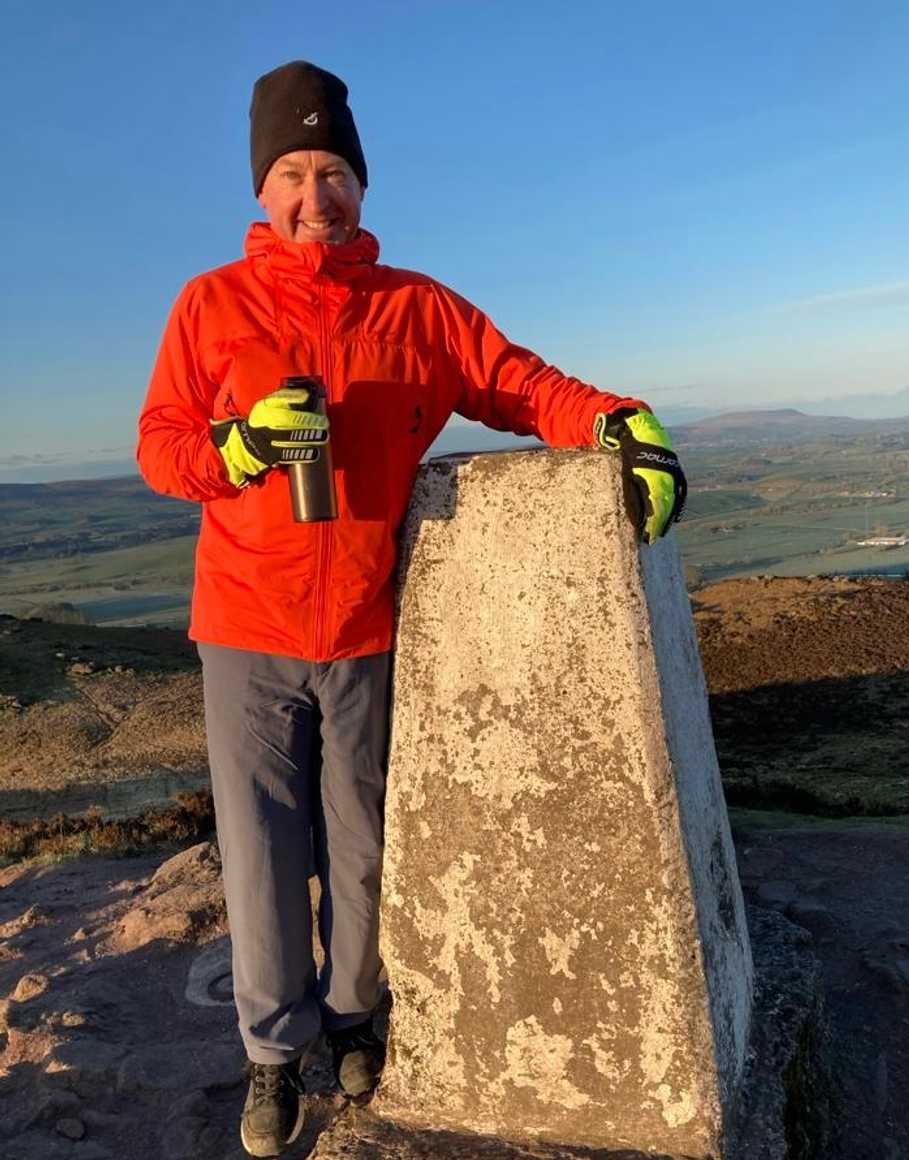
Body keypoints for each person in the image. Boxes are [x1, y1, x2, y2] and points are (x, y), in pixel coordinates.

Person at [136, 60, 686, 1159]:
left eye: (332, 170)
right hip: (244, 628)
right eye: (291, 171)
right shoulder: (210, 304)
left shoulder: (414, 308)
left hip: (361, 631)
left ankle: (351, 1016)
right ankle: (271, 1054)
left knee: (363, 843)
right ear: (261, 188)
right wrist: (236, 450)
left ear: (361, 185)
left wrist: (616, 420)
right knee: (257, 853)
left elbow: (519, 381)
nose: (313, 193)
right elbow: (160, 448)